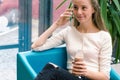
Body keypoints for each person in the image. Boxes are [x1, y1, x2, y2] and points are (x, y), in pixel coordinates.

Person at [31, 0, 112, 80]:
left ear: (94, 9)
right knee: (50, 69)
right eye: (75, 7)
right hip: (72, 77)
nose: (79, 12)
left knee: (51, 68)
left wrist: (85, 71)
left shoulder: (104, 37)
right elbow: (36, 47)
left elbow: (105, 77)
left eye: (84, 8)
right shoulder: (68, 32)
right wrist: (57, 24)